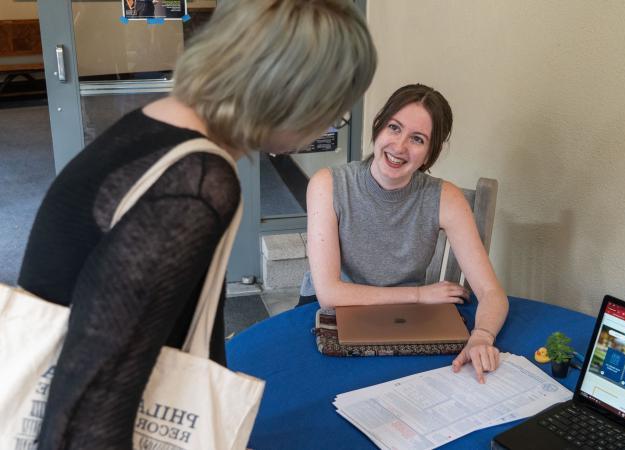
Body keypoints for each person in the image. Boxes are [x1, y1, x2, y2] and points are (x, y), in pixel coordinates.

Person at [17, 0, 376, 448]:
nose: (329, 122)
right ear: (292, 95)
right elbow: (91, 407)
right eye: (333, 107)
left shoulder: (153, 123)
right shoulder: (196, 182)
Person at [303, 84, 510, 384]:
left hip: (404, 320)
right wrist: (420, 294)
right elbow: (329, 294)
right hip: (331, 317)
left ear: (429, 154)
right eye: (394, 128)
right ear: (378, 128)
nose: (399, 147)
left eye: (417, 139)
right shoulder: (328, 185)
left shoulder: (444, 198)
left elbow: (492, 294)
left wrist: (481, 336)